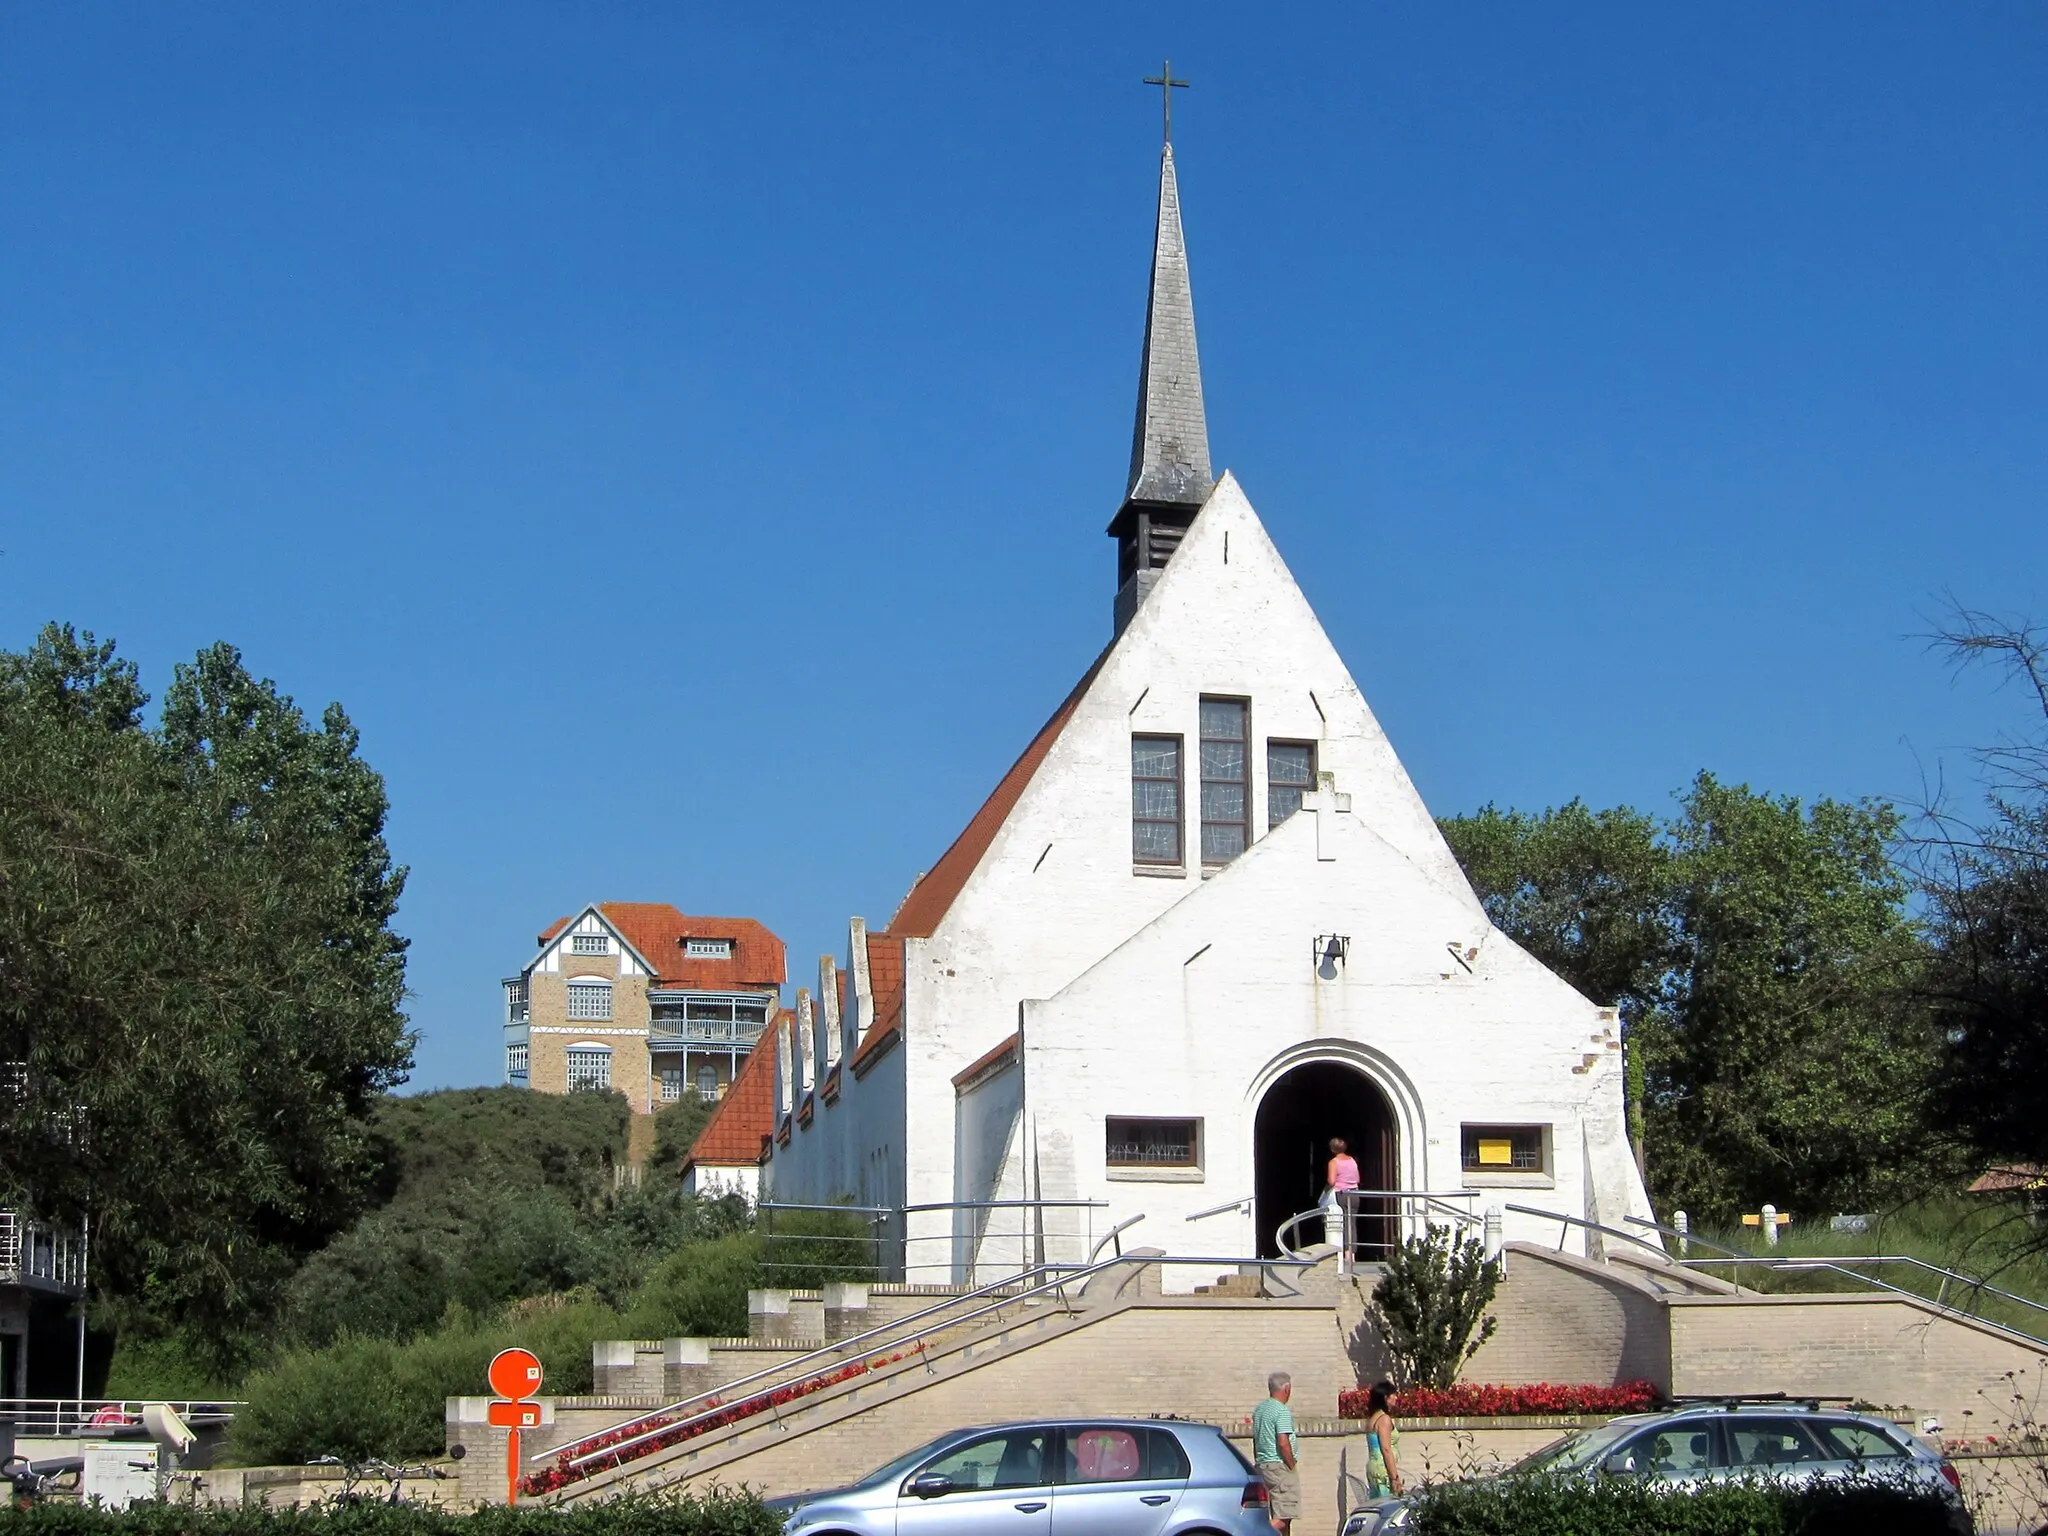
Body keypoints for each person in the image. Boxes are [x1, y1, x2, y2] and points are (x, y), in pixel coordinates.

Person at [1250, 1371, 1300, 1535]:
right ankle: (1253, 1532)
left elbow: (1256, 1440)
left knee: (1280, 1516)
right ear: (1287, 1389)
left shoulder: (1260, 1410)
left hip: (1262, 1466)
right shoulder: (1281, 1411)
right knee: (1284, 1517)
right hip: (1279, 1467)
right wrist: (1291, 1464)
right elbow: (1283, 1442)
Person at [1362, 1380, 1403, 1500]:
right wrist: (1395, 1478)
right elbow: (1386, 1449)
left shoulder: (1372, 1419)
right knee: (1387, 1505)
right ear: (1386, 1397)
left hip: (1374, 1468)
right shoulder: (1384, 1419)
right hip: (1382, 1470)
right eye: (1393, 1395)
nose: (1396, 1398)